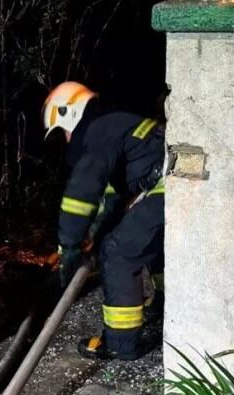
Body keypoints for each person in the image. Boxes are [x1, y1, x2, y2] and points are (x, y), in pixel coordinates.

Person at [43, 81, 165, 361]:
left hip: (165, 186)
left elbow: (80, 194)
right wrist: (95, 237)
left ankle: (121, 343)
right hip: (167, 184)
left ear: (69, 112)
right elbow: (112, 199)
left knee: (118, 252)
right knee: (142, 238)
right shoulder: (112, 126)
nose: (67, 140)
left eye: (63, 131)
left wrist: (70, 245)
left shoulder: (97, 131)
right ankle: (165, 302)